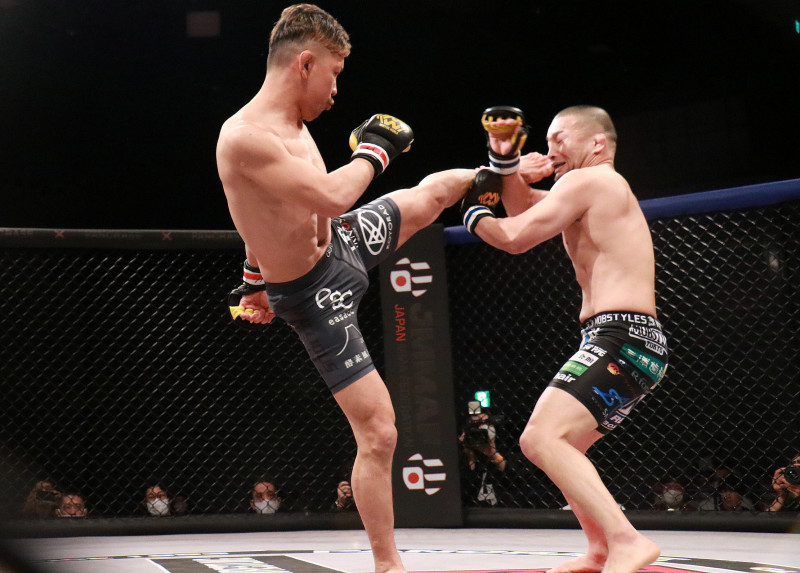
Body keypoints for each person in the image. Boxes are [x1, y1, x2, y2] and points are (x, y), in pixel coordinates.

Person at [215, 5, 474, 572]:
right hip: (312, 293)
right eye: (333, 74)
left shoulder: (294, 126)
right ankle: (387, 564)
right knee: (380, 431)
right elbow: (332, 196)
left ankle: (505, 174)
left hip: (342, 243)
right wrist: (376, 150)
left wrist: (252, 280)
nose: (336, 91)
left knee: (434, 195)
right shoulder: (244, 138)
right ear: (305, 64)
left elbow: (258, 216)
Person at [463, 105, 669, 573]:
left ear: (596, 143)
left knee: (541, 438)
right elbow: (522, 207)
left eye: (560, 139)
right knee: (564, 447)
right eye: (547, 139)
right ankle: (600, 549)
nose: (550, 148)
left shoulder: (589, 180)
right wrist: (505, 159)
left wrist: (472, 209)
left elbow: (513, 236)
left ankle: (627, 540)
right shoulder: (588, 188)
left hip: (622, 337)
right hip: (625, 339)